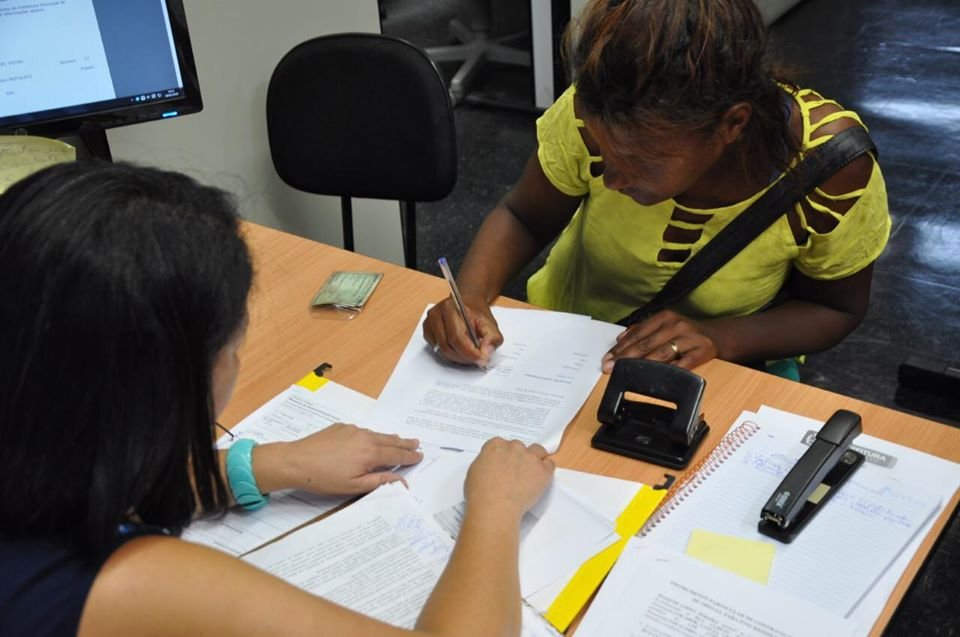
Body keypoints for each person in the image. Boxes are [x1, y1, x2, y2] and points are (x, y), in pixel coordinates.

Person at [0, 161, 555, 637]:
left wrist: (264, 464)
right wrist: (495, 509)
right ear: (168, 387)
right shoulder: (133, 583)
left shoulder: (35, 450)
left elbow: (90, 486)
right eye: (234, 341)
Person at [423, 0, 890, 380]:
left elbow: (835, 308)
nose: (611, 180)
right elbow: (524, 216)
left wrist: (719, 337)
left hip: (728, 362)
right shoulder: (595, 111)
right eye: (604, 154)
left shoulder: (828, 167)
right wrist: (472, 295)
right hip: (572, 341)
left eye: (642, 163)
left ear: (732, 124)